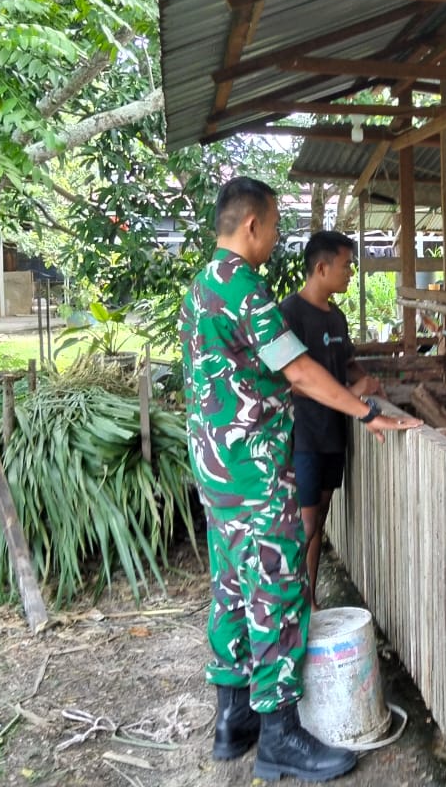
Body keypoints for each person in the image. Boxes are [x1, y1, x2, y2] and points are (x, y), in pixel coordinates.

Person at [179, 177, 420, 783]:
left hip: (215, 468)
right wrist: (366, 411)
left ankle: (233, 722)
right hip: (255, 471)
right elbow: (301, 372)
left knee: (232, 586)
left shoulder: (199, 289)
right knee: (279, 592)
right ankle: (282, 737)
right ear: (252, 225)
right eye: (275, 225)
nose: (277, 237)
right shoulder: (246, 290)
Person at [278, 230, 379, 611]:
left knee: (319, 517)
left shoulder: (336, 317)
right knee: (304, 523)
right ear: (321, 268)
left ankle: (310, 599)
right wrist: (351, 394)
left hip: (333, 434)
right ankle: (288, 603)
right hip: (304, 435)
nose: (350, 272)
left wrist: (366, 381)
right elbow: (294, 382)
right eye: (346, 266)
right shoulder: (290, 314)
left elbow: (346, 363)